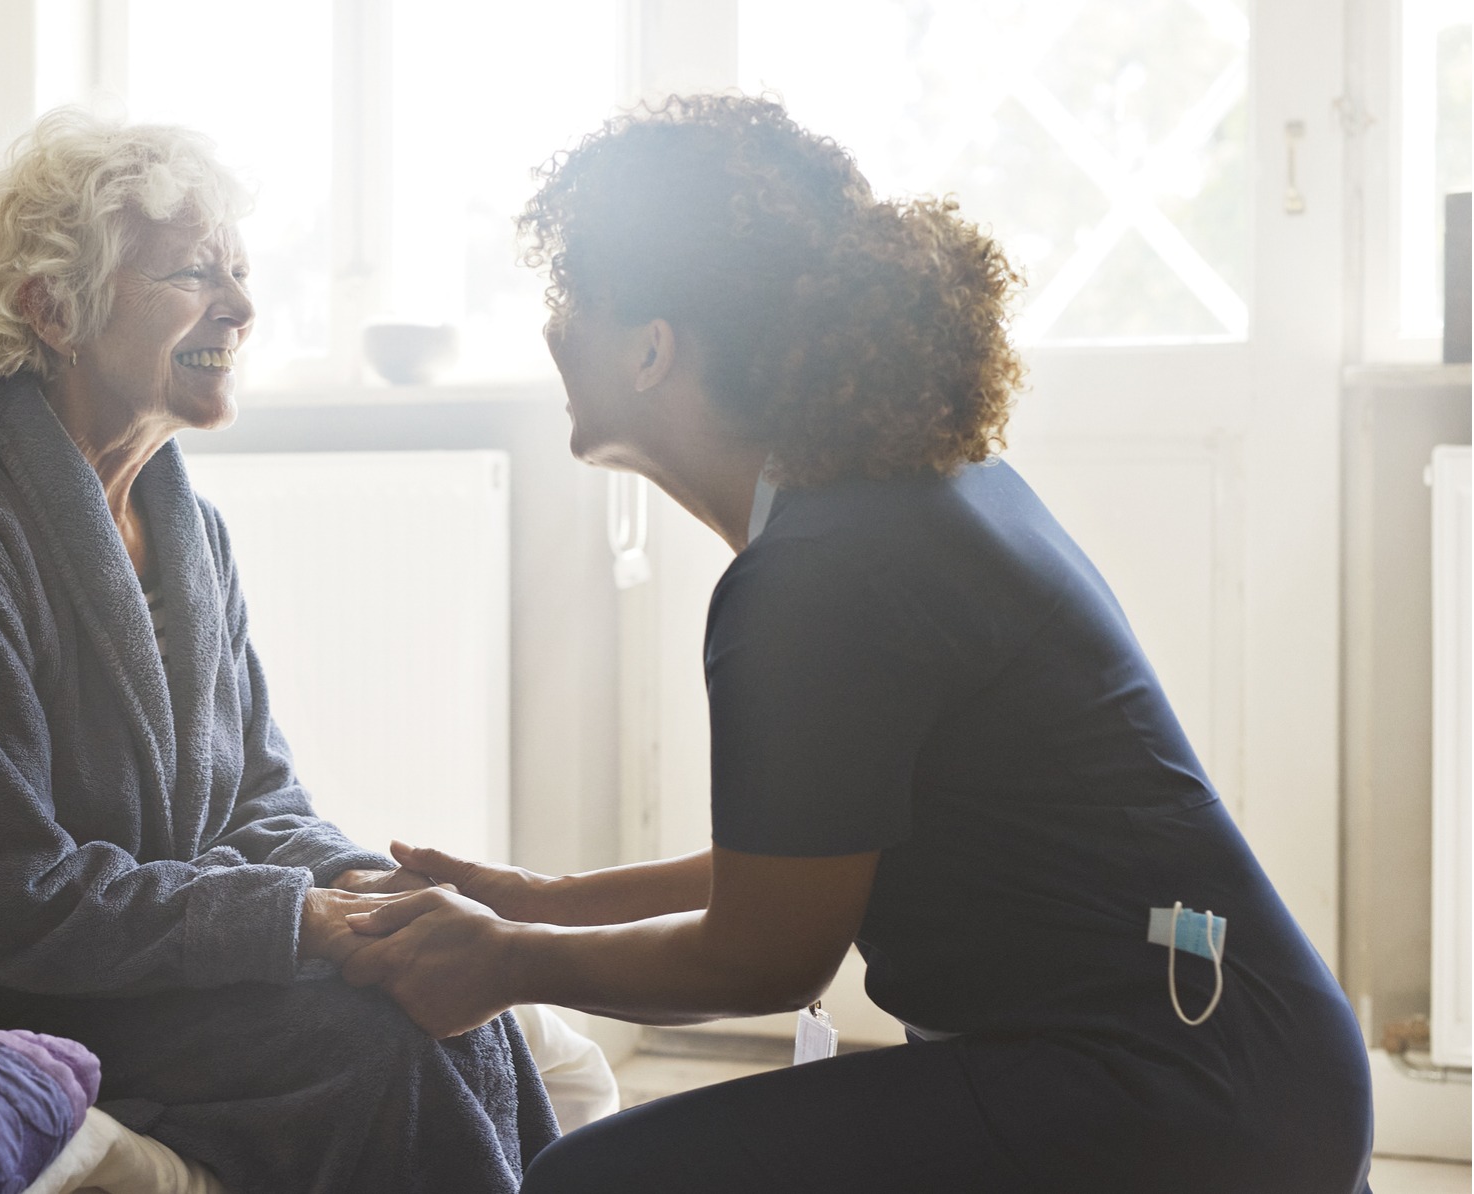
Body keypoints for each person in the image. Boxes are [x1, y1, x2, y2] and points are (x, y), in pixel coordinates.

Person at [341, 94, 1374, 1194]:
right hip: (1259, 1072)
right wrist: (544, 899)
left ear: (652, 347)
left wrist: (503, 961)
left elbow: (768, 956)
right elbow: (813, 862)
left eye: (568, 297)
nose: (549, 329)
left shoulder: (817, 579)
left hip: (1180, 1100)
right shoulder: (899, 502)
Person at [0, 109, 557, 1193]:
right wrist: (296, 924)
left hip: (85, 958)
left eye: (242, 271)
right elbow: (7, 897)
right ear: (52, 309)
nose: (244, 306)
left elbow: (255, 796)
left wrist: (366, 894)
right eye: (192, 275)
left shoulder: (189, 532)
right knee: (365, 1046)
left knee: (454, 1005)